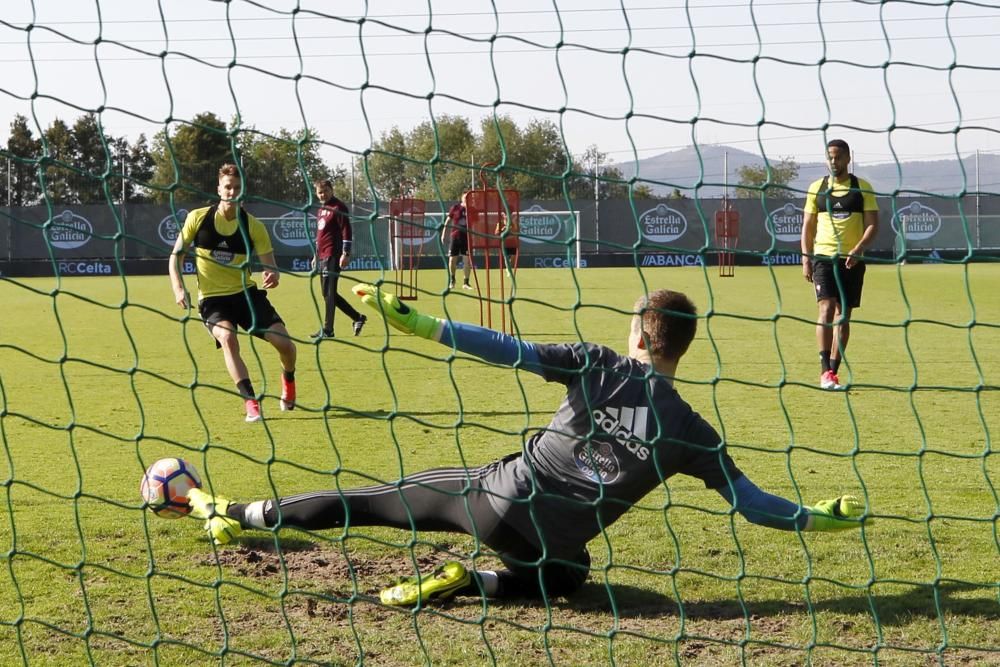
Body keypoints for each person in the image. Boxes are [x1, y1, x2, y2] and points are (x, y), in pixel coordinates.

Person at [187, 284, 868, 605]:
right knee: (570, 574)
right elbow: (752, 505)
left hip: (493, 498)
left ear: (639, 331)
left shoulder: (599, 361)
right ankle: (476, 583)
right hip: (543, 542)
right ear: (684, 347)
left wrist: (422, 323)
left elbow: (505, 348)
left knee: (374, 501)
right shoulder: (693, 433)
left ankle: (242, 513)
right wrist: (815, 515)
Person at [168, 163, 298, 423]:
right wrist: (179, 288)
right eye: (228, 187)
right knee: (228, 338)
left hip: (246, 296)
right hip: (213, 301)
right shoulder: (198, 218)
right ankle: (251, 402)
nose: (232, 192)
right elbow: (176, 257)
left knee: (285, 345)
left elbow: (270, 264)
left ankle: (289, 380)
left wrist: (272, 273)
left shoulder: (253, 227)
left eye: (237, 188)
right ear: (219, 189)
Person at [801, 139, 879, 391]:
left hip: (852, 261)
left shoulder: (862, 188)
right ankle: (824, 370)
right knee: (825, 309)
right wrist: (806, 257)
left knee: (842, 317)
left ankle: (833, 372)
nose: (834, 162)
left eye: (838, 157)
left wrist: (859, 248)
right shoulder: (817, 188)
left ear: (847, 159)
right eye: (830, 157)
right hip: (823, 258)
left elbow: (872, 225)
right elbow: (808, 227)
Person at [310, 178, 366, 339]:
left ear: (331, 190)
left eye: (325, 191)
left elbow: (346, 231)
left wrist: (345, 253)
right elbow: (320, 235)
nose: (323, 194)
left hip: (333, 255)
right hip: (322, 255)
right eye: (320, 192)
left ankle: (328, 330)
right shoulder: (321, 209)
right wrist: (315, 254)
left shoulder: (338, 207)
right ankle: (357, 317)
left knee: (329, 293)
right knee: (327, 293)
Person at [441, 200, 472, 290]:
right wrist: (443, 234)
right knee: (452, 260)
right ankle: (452, 280)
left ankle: (466, 283)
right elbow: (447, 221)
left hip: (466, 238)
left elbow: (475, 223)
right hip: (455, 237)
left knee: (467, 260)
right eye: (465, 196)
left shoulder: (472, 209)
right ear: (462, 198)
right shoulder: (455, 208)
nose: (467, 198)